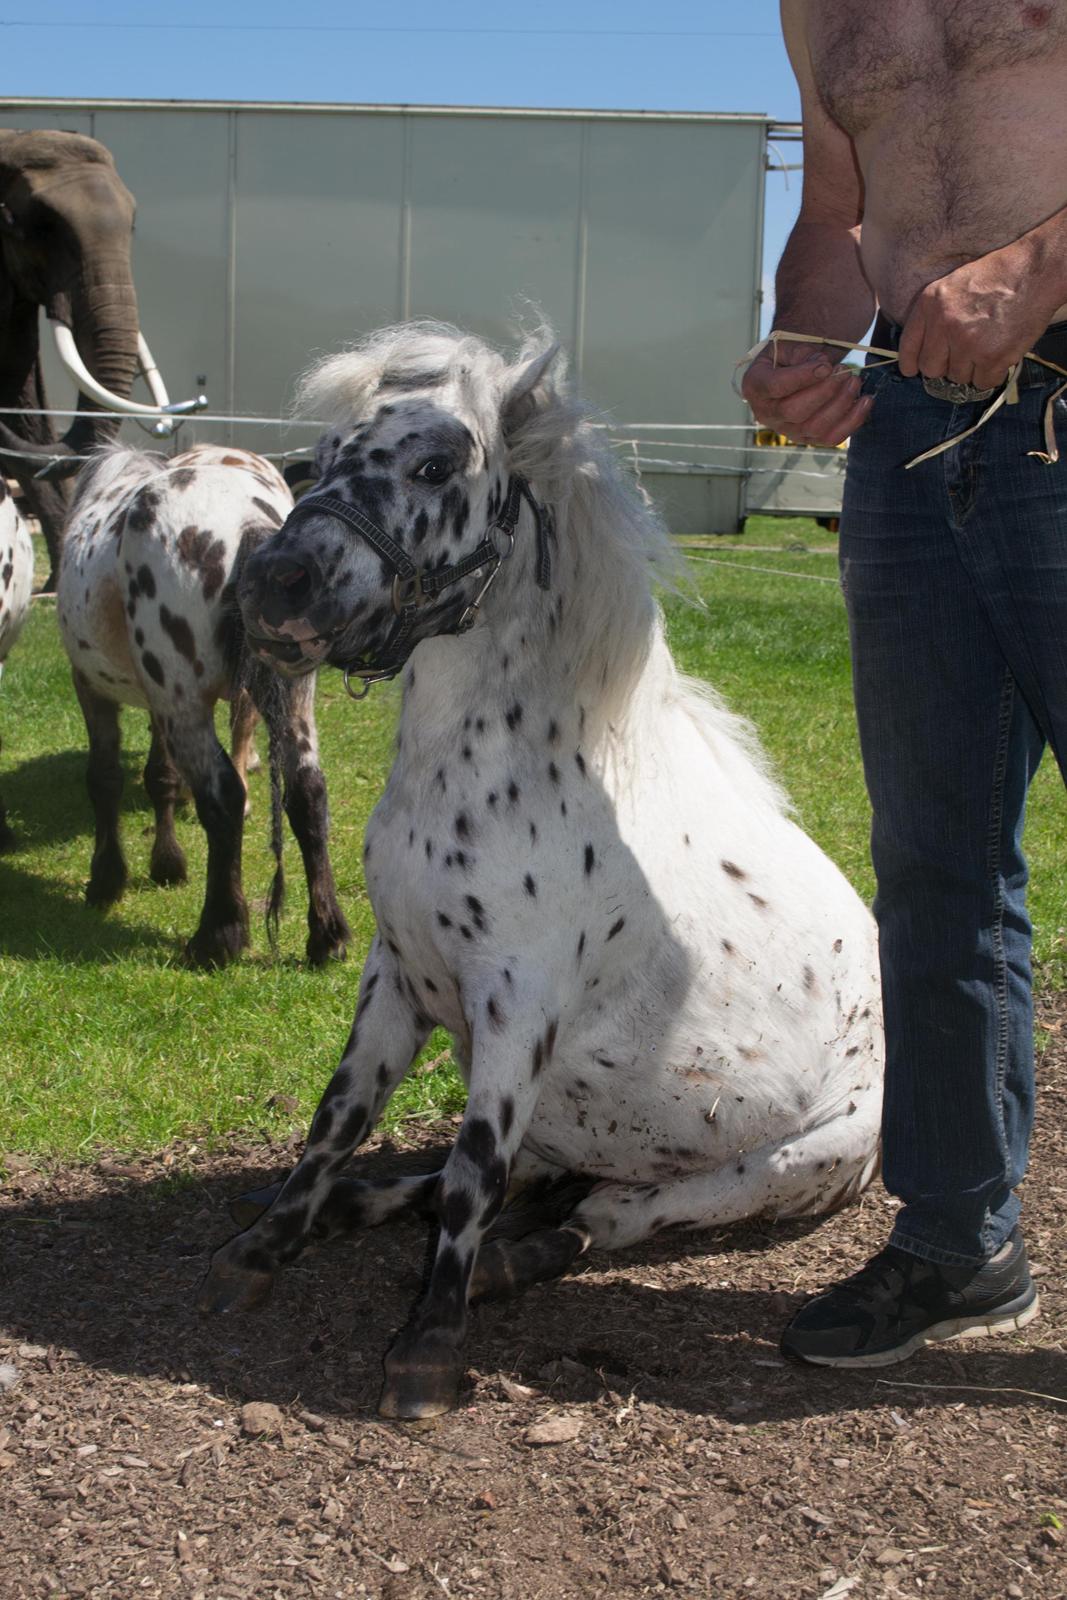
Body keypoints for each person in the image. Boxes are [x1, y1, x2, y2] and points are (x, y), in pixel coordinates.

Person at [742, 1, 1067, 1366]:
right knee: (934, 866)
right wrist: (798, 346)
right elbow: (835, 210)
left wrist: (1036, 271)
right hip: (910, 439)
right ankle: (957, 1242)